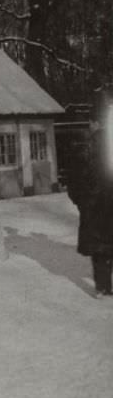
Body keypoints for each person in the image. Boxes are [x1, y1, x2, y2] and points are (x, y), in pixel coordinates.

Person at [66, 89, 113, 298]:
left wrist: (80, 201)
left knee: (99, 249)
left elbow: (74, 179)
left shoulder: (84, 148)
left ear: (94, 123)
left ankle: (103, 287)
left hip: (94, 206)